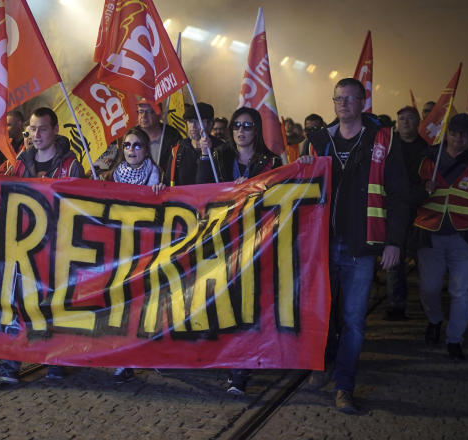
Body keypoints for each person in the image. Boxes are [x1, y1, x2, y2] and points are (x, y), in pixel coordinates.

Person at [301, 77, 408, 414]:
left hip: (362, 248)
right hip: (322, 246)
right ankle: (324, 363)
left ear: (364, 102)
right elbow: (302, 192)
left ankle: (344, 385)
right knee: (323, 314)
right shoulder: (318, 142)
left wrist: (394, 242)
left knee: (354, 320)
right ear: (333, 104)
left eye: (351, 98)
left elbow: (402, 197)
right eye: (339, 98)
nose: (344, 103)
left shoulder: (383, 141)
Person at [0, 107, 83, 384]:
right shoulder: (20, 163)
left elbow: (83, 204)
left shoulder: (71, 165)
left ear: (55, 129)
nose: (36, 135)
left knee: (54, 305)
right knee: (19, 305)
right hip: (24, 247)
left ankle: (56, 361)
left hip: (59, 248)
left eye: (42, 129)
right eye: (32, 130)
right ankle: (11, 365)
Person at [196, 107, 281, 395]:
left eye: (247, 125)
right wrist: (205, 155)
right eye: (236, 126)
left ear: (256, 130)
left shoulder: (271, 161)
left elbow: (280, 197)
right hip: (222, 242)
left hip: (258, 243)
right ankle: (226, 359)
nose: (241, 131)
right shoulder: (220, 156)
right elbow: (200, 189)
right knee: (222, 304)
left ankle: (240, 371)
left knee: (249, 306)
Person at [412, 113, 468, 360]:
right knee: (429, 288)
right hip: (430, 234)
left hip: (465, 238)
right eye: (454, 134)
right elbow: (408, 194)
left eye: (464, 134)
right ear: (447, 134)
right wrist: (422, 190)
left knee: (461, 292)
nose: (459, 139)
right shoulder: (426, 159)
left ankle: (455, 338)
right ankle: (434, 320)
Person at [103, 126, 165, 382]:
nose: (131, 150)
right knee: (122, 305)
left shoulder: (155, 174)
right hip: (119, 250)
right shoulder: (113, 175)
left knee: (149, 303)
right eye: (127, 145)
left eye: (137, 145)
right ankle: (124, 359)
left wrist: (164, 193)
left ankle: (154, 352)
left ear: (145, 149)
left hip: (148, 249)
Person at [384, 106, 427, 320]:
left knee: (423, 260)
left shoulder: (427, 150)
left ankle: (425, 302)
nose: (406, 122)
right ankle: (396, 305)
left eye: (410, 118)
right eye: (402, 119)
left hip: (420, 212)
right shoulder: (389, 147)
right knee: (394, 259)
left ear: (418, 122)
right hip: (393, 211)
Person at [168, 102, 219, 186]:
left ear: (210, 124)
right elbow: (168, 182)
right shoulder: (178, 150)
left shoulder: (221, 149)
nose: (193, 126)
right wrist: (160, 186)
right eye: (190, 121)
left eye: (198, 121)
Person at [136, 100, 180, 183]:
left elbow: (179, 167)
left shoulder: (172, 136)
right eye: (141, 111)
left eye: (149, 112)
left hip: (164, 188)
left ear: (159, 115)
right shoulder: (131, 135)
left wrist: (164, 173)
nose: (143, 116)